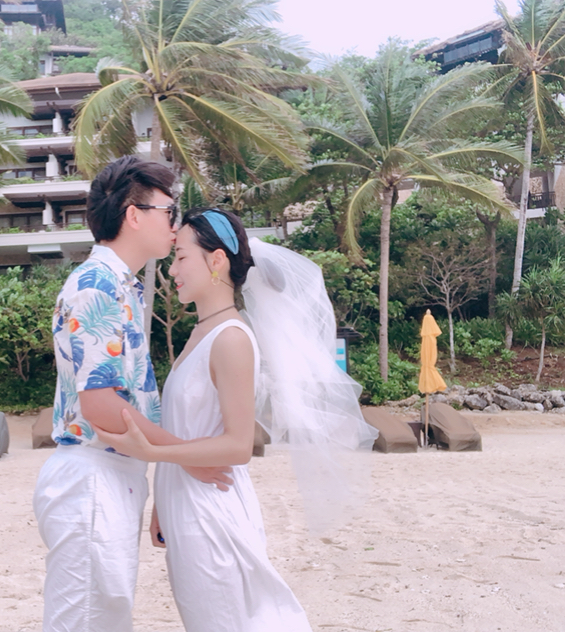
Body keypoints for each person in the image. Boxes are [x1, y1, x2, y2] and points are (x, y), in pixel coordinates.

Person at [96, 208, 378, 631]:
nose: (172, 270)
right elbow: (190, 427)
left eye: (181, 257)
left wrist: (152, 451)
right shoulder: (201, 333)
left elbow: (238, 445)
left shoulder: (231, 339)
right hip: (187, 509)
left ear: (216, 260)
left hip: (213, 514)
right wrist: (162, 499)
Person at [33, 158, 234, 632]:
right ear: (133, 215)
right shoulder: (98, 285)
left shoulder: (121, 285)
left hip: (111, 472)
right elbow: (101, 405)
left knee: (103, 616)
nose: (175, 224)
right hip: (93, 472)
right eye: (169, 211)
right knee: (87, 621)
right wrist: (185, 458)